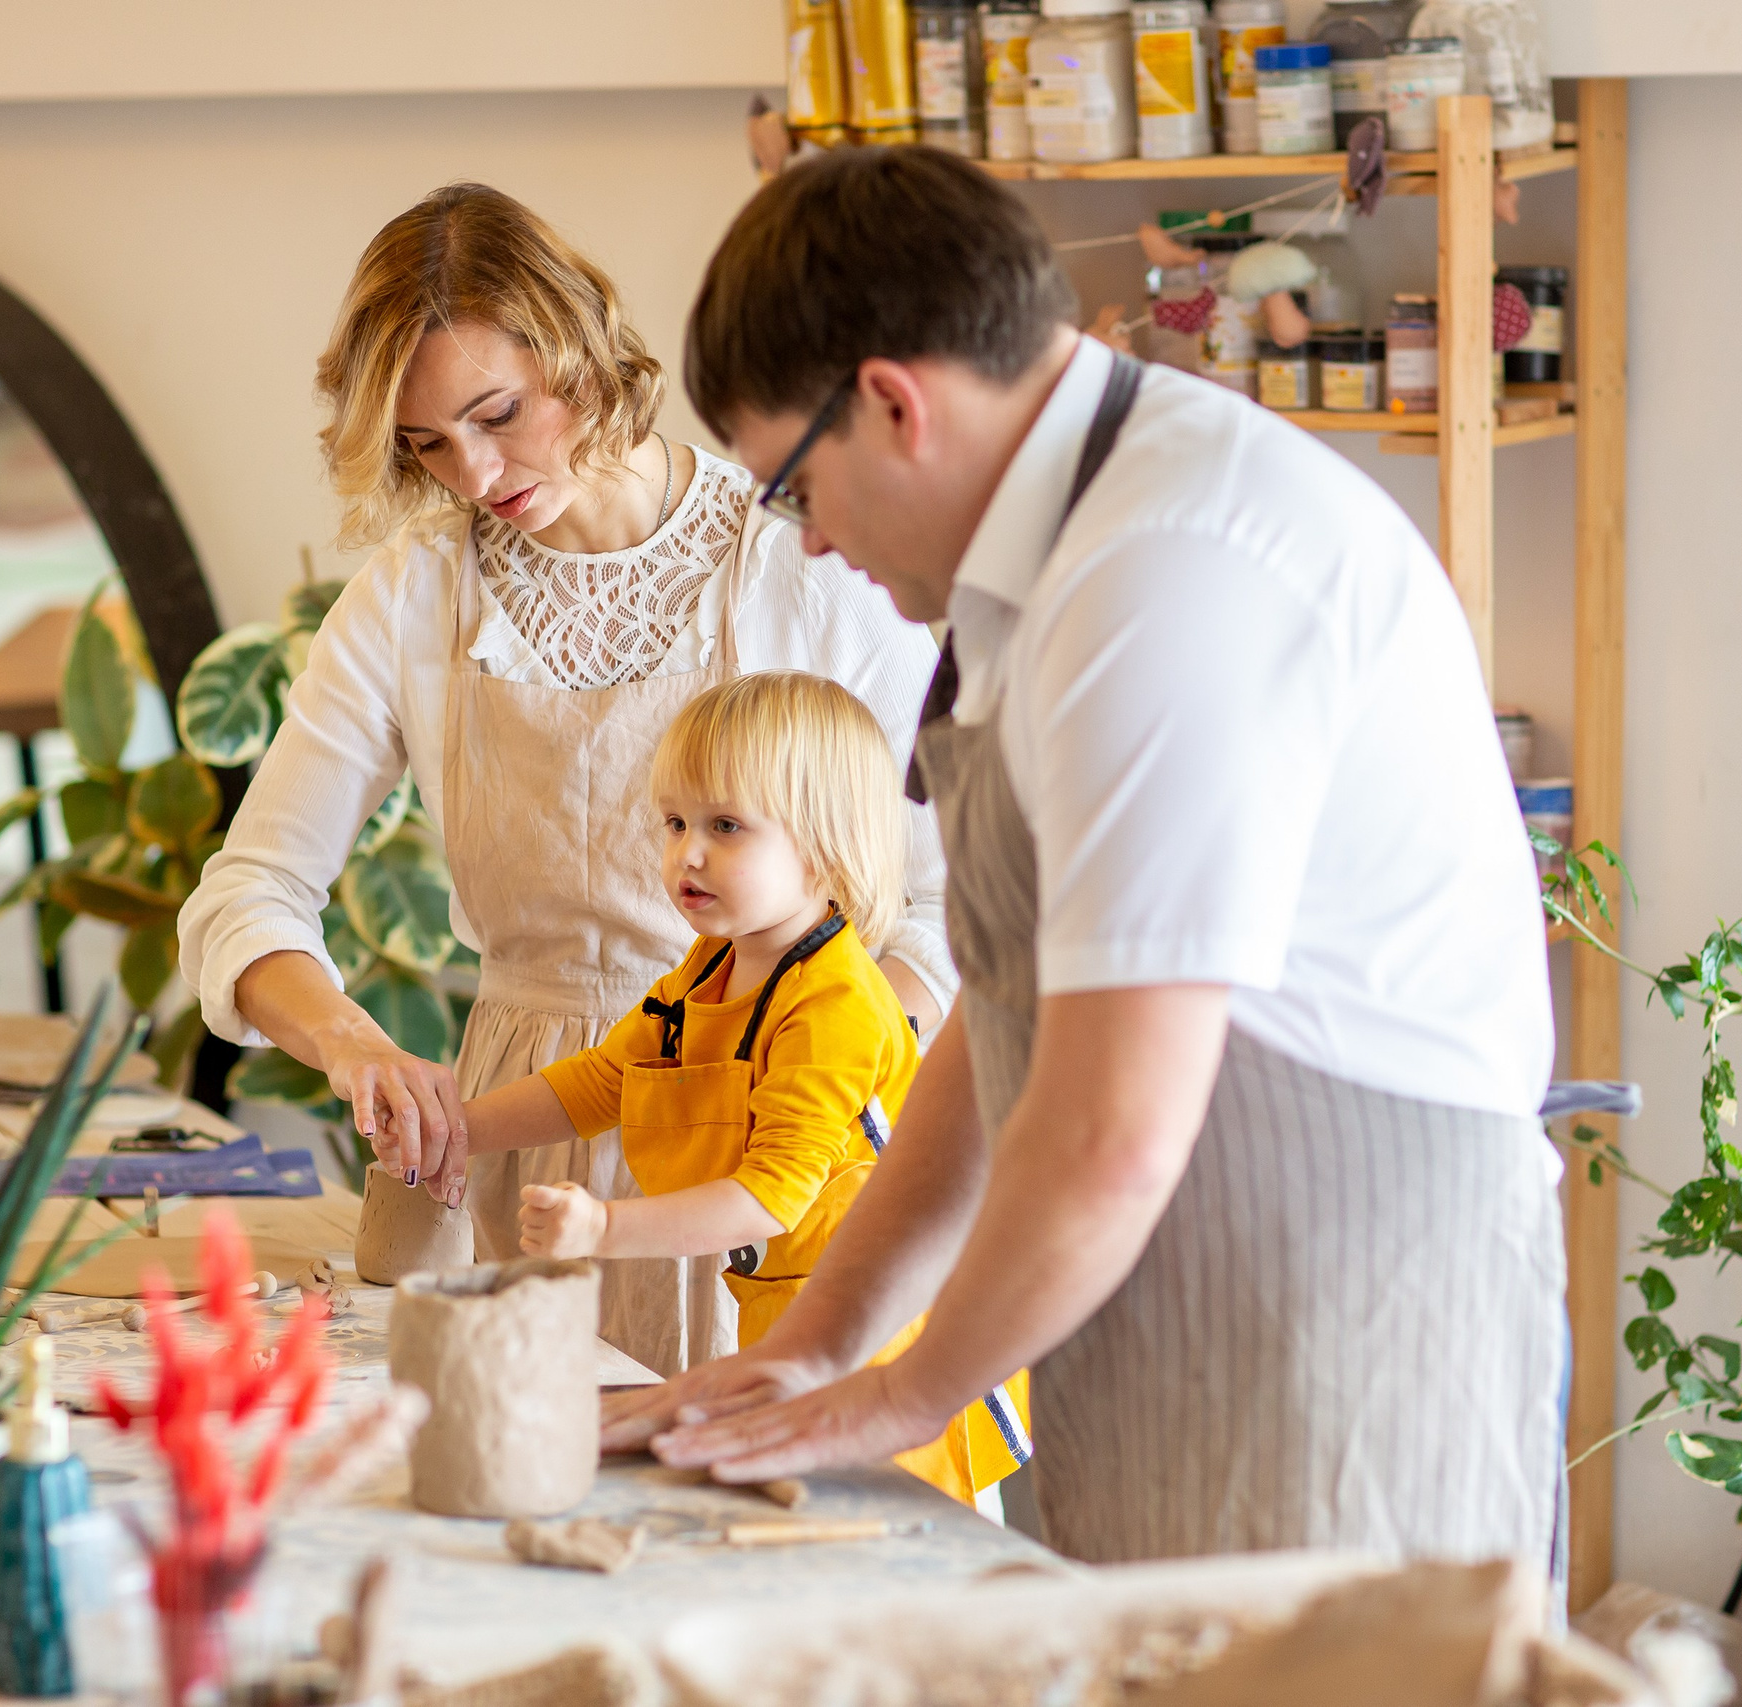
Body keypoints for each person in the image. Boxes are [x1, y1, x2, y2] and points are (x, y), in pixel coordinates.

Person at [602, 147, 1566, 1572]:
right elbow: (1007, 1028)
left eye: (792, 488)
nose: (808, 543)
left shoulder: (1167, 569)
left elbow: (1112, 1126)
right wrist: (817, 1346)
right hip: (1179, 1314)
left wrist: (905, 1395)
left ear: (891, 402)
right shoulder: (1047, 561)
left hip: (1347, 1330)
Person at [177, 183, 956, 1380]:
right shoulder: (416, 592)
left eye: (497, 415)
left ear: (582, 353)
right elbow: (250, 892)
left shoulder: (804, 565)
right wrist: (353, 1048)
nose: (475, 475)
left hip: (770, 1147)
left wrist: (816, 1051)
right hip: (509, 1144)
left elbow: (947, 904)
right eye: (426, 445)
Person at [443, 671, 1029, 1505]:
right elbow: (609, 1079)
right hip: (787, 1314)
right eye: (675, 821)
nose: (687, 852)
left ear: (823, 848)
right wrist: (459, 1129)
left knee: (876, 1548)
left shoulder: (836, 1004)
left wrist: (604, 1226)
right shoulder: (711, 966)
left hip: (883, 1335)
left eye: (726, 826)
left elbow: (770, 1197)